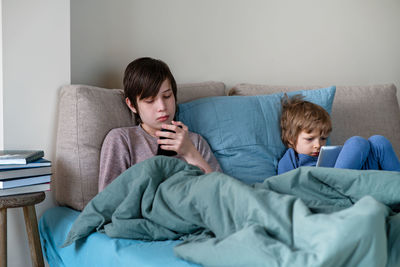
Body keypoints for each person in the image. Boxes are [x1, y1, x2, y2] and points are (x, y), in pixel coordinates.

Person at [98, 57, 221, 191]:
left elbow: (222, 194)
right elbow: (107, 200)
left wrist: (190, 152)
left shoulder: (195, 141)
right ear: (132, 105)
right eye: (150, 100)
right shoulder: (122, 140)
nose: (162, 107)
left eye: (167, 96)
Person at [277, 94, 400, 175]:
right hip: (327, 187)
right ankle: (336, 180)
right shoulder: (292, 158)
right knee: (357, 142)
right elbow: (285, 184)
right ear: (291, 139)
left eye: (323, 138)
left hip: (357, 175)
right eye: (309, 139)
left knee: (379, 141)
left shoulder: (328, 153)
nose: (318, 145)